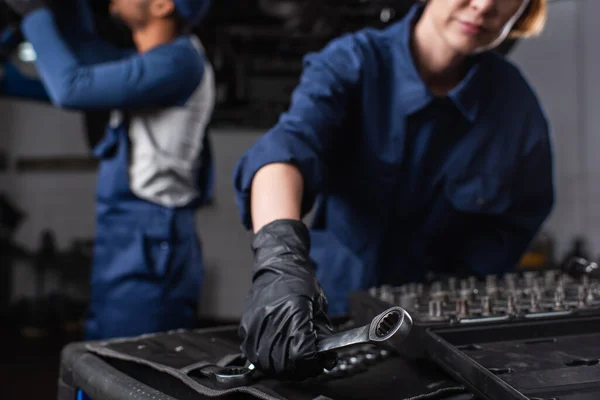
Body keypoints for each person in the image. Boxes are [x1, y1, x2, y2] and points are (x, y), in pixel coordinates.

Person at [234, 0, 553, 380]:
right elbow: (284, 152)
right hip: (331, 316)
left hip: (439, 340)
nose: (484, 5)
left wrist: (456, 294)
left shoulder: (514, 105)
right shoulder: (352, 61)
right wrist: (279, 263)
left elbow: (520, 216)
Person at [6, 0, 216, 339]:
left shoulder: (178, 61)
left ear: (163, 5)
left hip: (150, 238)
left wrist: (34, 12)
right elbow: (83, 52)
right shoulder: (146, 62)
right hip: (130, 235)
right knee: (106, 354)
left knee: (129, 370)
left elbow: (72, 87)